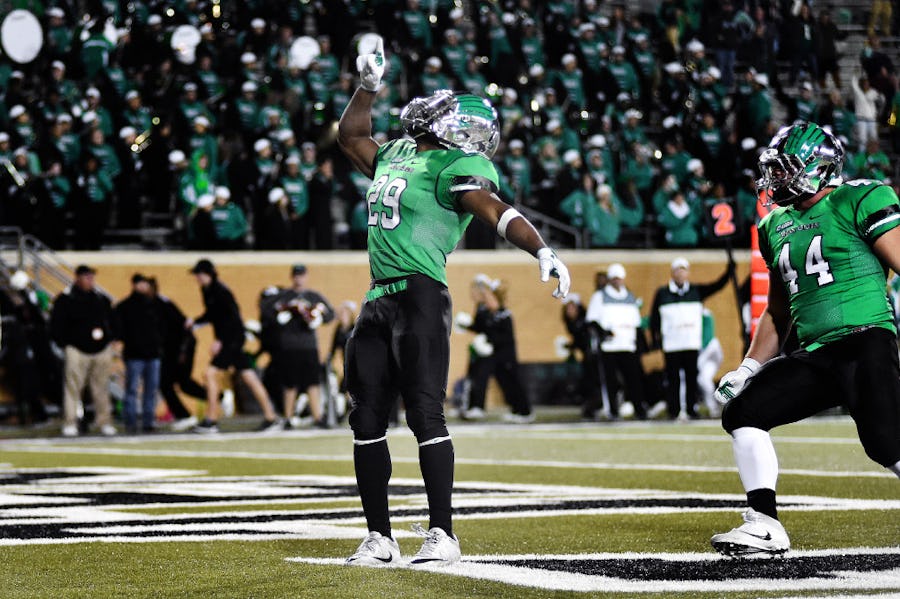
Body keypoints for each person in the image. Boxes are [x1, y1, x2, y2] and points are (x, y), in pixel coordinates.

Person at [337, 38, 570, 567]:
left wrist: (541, 248)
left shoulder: (457, 165)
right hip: (376, 299)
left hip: (420, 294)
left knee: (424, 412)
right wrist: (367, 88)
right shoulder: (397, 153)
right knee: (366, 417)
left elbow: (494, 209)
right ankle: (380, 537)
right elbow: (351, 136)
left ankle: (443, 533)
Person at [711, 122, 900, 557]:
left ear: (817, 167)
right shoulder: (774, 224)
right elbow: (778, 313)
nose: (773, 179)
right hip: (814, 353)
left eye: (784, 169)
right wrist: (747, 368)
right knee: (744, 412)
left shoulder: (859, 197)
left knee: (888, 444)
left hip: (863, 339)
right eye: (772, 171)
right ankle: (765, 524)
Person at [186, 258, 281, 433]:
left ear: (208, 274)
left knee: (210, 374)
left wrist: (221, 341)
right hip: (232, 340)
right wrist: (196, 322)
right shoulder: (208, 290)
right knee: (249, 377)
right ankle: (271, 417)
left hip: (232, 340)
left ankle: (211, 419)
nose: (197, 278)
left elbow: (232, 319)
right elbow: (213, 315)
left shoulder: (221, 291)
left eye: (199, 274)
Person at [649, 257, 733, 420]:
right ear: (673, 273)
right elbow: (654, 318)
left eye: (683, 270)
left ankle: (691, 409)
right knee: (673, 379)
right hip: (671, 343)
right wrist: (656, 340)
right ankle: (674, 410)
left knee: (691, 378)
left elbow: (716, 286)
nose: (681, 274)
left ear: (687, 273)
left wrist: (728, 273)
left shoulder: (696, 291)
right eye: (678, 271)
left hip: (690, 343)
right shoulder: (662, 293)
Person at [261, 264, 335, 428]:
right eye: (296, 275)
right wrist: (282, 313)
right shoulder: (285, 296)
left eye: (301, 275)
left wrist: (317, 317)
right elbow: (266, 310)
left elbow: (330, 314)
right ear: (292, 277)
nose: (299, 279)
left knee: (312, 382)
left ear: (306, 277)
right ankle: (288, 417)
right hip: (289, 346)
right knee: (290, 383)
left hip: (309, 346)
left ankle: (318, 417)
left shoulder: (313, 296)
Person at [49, 265, 117, 437]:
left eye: (92, 277)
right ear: (77, 278)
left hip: (101, 349)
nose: (90, 280)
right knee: (73, 388)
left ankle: (104, 422)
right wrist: (65, 343)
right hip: (76, 349)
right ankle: (70, 422)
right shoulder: (65, 299)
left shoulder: (100, 298)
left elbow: (112, 320)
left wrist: (111, 339)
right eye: (87, 277)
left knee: (101, 388)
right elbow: (55, 325)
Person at [457, 275, 532, 423]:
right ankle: (482, 408)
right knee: (490, 381)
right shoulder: (488, 314)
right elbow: (480, 328)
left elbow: (506, 338)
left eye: (490, 298)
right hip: (494, 358)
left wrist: (488, 340)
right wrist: (465, 325)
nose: (487, 301)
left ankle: (524, 411)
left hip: (506, 358)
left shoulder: (505, 315)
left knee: (512, 383)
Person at [586, 263, 647, 420]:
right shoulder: (600, 297)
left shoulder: (629, 297)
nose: (617, 282)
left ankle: (639, 409)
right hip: (609, 347)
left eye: (619, 278)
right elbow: (591, 320)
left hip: (627, 345)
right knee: (610, 382)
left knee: (634, 380)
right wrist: (604, 333)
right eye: (614, 279)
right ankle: (612, 411)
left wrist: (640, 344)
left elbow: (636, 323)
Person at [148, 277, 206, 432]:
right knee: (176, 384)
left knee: (176, 383)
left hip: (181, 349)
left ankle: (187, 415)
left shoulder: (164, 304)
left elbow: (184, 327)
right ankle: (213, 400)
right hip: (170, 351)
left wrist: (183, 351)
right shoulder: (148, 305)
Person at [114, 273, 163, 434]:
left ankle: (149, 421)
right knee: (132, 390)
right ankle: (131, 422)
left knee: (151, 390)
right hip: (134, 355)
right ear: (134, 285)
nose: (144, 287)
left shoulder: (155, 304)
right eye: (141, 283)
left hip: (153, 354)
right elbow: (118, 328)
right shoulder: (125, 306)